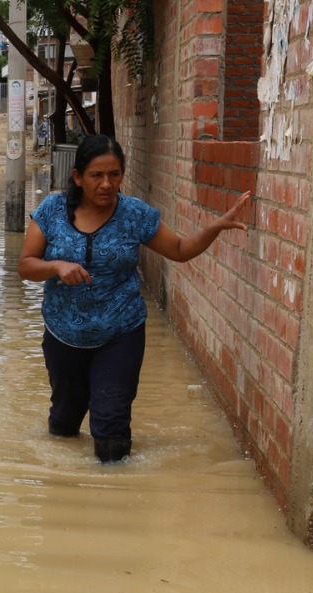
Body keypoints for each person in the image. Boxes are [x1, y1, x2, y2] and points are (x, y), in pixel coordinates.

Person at [18, 134, 252, 463]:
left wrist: (215, 227)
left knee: (111, 425)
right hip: (64, 335)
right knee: (64, 423)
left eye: (114, 174)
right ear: (78, 177)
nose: (106, 184)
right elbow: (26, 265)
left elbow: (180, 250)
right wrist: (56, 265)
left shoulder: (135, 215)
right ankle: (63, 487)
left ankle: (115, 487)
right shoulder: (52, 211)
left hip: (121, 332)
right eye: (97, 175)